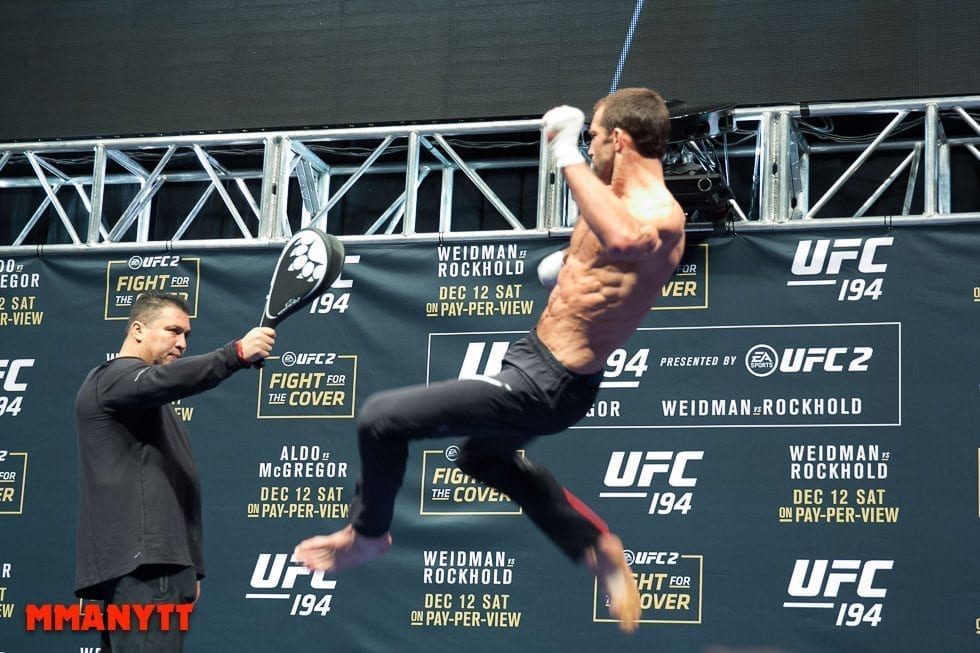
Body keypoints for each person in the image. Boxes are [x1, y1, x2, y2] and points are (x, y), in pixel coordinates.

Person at [293, 87, 686, 634]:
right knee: (482, 459)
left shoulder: (657, 210)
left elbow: (622, 241)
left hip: (549, 381)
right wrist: (563, 267)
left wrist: (564, 149)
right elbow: (599, 260)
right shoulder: (609, 195)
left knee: (381, 419)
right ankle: (595, 547)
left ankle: (366, 536)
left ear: (618, 140)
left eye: (594, 137)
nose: (589, 146)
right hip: (537, 362)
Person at [74, 290, 275, 652]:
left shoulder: (153, 408)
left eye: (186, 335)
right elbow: (161, 381)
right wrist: (235, 354)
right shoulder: (113, 378)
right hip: (146, 565)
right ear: (137, 329)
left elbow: (177, 482)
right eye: (172, 331)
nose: (181, 343)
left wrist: (189, 564)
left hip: (158, 563)